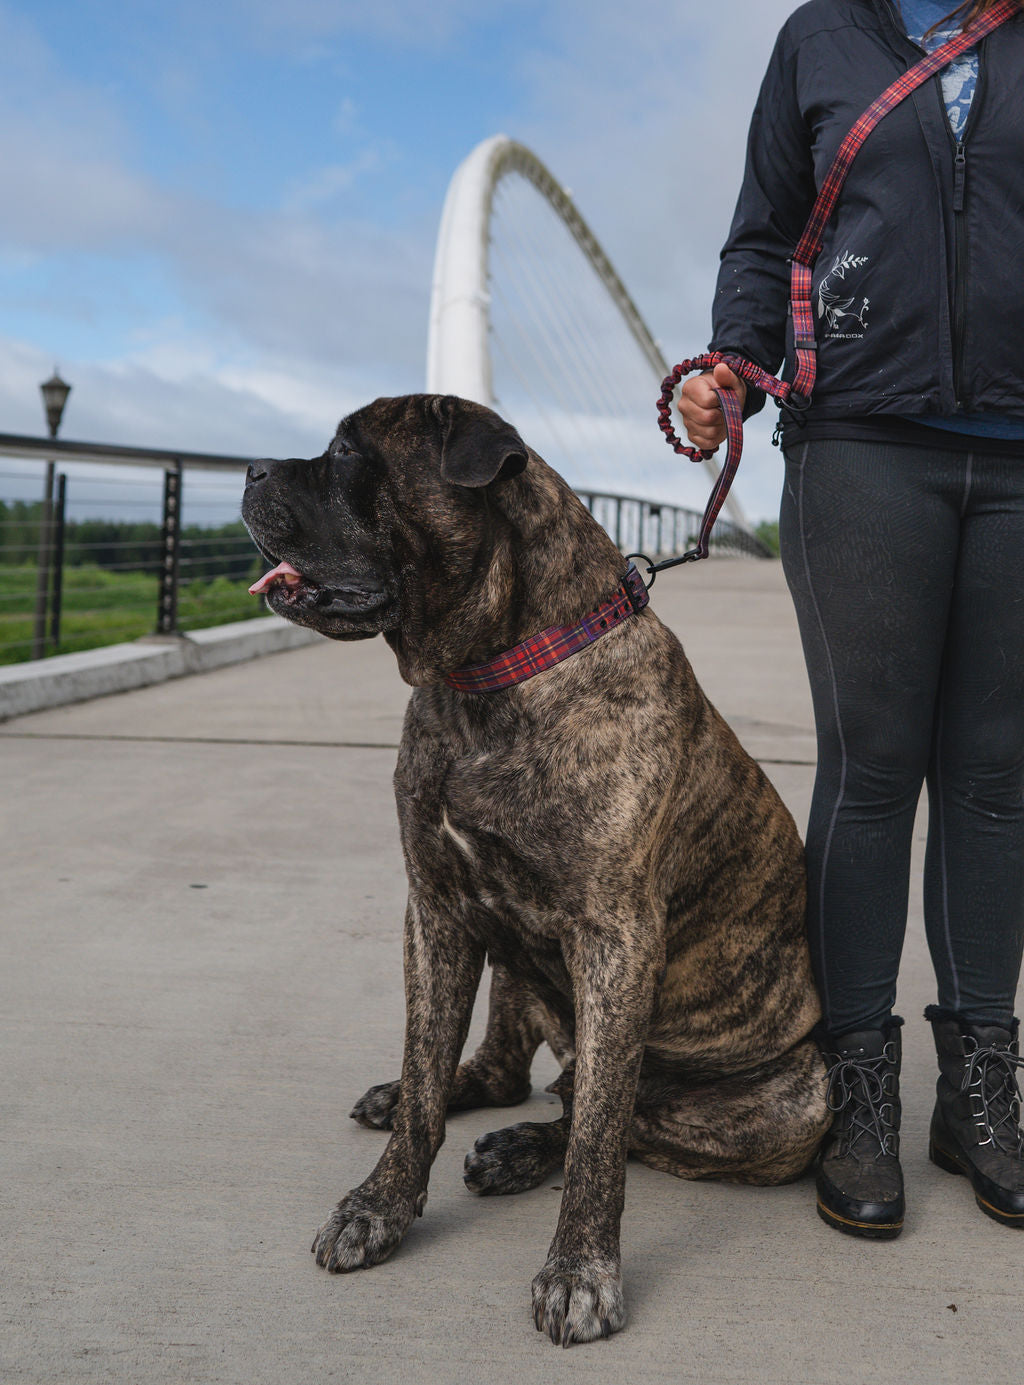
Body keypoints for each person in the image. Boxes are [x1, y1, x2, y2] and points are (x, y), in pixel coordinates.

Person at [679, 0, 1024, 1238]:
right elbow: (761, 235)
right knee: (873, 771)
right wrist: (728, 363)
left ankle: (980, 1086)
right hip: (865, 445)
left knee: (994, 778)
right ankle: (859, 1086)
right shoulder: (819, 37)